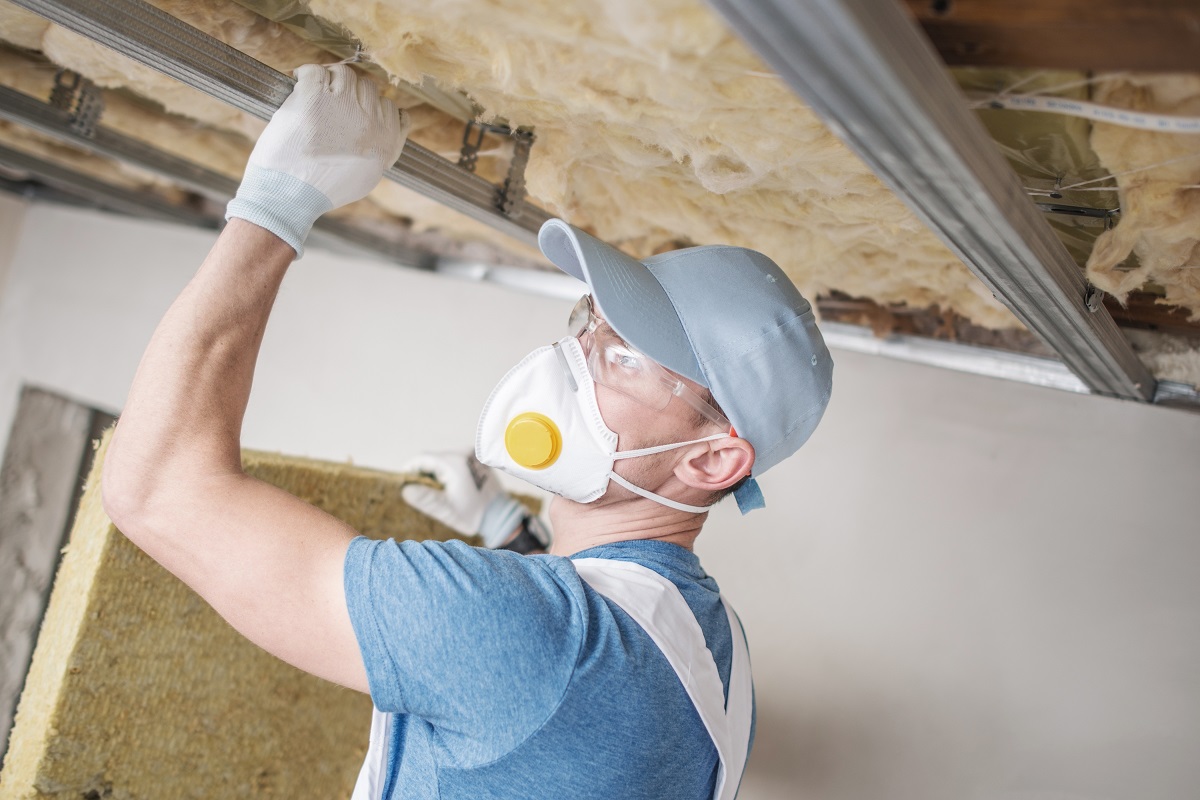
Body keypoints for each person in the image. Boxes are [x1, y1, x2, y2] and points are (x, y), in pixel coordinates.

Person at [101, 64, 832, 800]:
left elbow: (155, 488)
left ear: (711, 461)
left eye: (620, 358)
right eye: (590, 322)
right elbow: (577, 689)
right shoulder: (712, 646)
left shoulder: (511, 628)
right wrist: (505, 529)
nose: (572, 355)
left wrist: (277, 202)